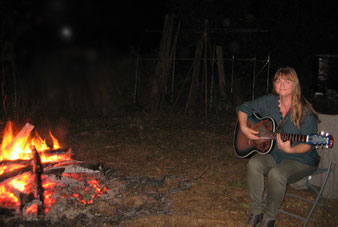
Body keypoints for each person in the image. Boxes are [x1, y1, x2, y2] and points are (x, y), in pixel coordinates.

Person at [236, 67, 320, 227]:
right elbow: (244, 107)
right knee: (254, 164)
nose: (282, 85)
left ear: (295, 85)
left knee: (276, 174)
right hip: (275, 154)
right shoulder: (269, 101)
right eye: (278, 81)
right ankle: (256, 213)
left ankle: (269, 218)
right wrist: (244, 127)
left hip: (301, 158)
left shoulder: (306, 112)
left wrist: (290, 149)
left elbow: (308, 145)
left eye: (287, 81)